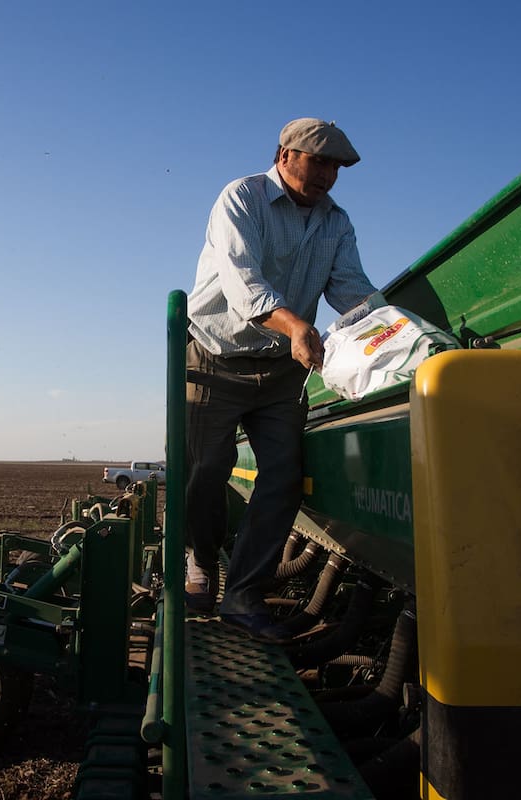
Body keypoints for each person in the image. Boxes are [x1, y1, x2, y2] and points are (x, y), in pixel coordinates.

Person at [185, 118, 379, 644]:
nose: (327, 175)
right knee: (204, 470)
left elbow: (354, 292)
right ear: (284, 154)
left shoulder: (335, 223)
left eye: (336, 167)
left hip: (280, 371)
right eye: (318, 161)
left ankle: (244, 598)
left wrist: (401, 333)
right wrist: (296, 324)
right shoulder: (241, 198)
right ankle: (201, 559)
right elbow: (243, 283)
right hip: (215, 355)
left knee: (283, 477)